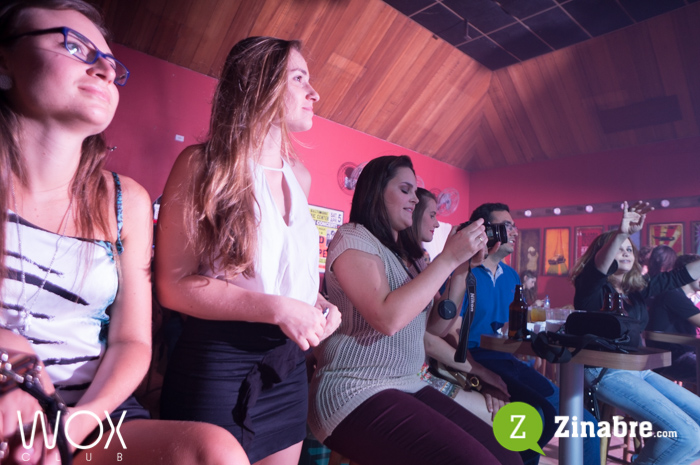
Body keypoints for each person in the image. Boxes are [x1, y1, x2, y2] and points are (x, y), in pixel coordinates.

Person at [0, 1, 249, 464]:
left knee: (214, 452)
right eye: (74, 46)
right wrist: (10, 366)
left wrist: (75, 424)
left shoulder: (125, 201)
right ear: (5, 59)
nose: (104, 69)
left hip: (92, 420)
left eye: (112, 64)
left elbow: (131, 342)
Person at [156, 37, 341, 465]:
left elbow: (276, 274)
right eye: (299, 79)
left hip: (287, 366)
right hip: (219, 363)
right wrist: (280, 309)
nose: (314, 93)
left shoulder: (300, 177)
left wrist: (317, 304)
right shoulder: (202, 165)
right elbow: (173, 286)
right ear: (258, 84)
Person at [308, 156, 521, 465]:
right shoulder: (353, 237)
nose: (415, 199)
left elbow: (434, 328)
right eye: (405, 190)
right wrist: (447, 258)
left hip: (407, 383)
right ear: (376, 192)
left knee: (508, 456)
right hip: (354, 388)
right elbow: (387, 319)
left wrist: (462, 268)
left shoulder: (408, 257)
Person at [459, 203, 599, 465]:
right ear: (487, 231)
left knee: (587, 424)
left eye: (514, 226)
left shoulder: (511, 276)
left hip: (508, 361)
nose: (515, 231)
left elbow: (511, 329)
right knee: (537, 418)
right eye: (507, 226)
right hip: (476, 360)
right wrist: (479, 376)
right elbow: (447, 335)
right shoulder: (462, 272)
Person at [572, 201, 700, 465]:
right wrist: (621, 233)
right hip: (605, 371)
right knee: (686, 436)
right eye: (619, 247)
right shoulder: (591, 289)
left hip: (639, 369)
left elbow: (680, 276)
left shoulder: (637, 289)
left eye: (629, 248)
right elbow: (597, 269)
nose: (625, 252)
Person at [409, 188, 510, 425]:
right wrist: (481, 372)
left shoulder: (420, 261)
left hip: (433, 368)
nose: (437, 223)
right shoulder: (404, 262)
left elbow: (440, 327)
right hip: (416, 373)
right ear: (413, 214)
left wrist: (464, 265)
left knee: (510, 412)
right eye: (432, 215)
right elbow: (426, 338)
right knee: (504, 419)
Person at [647, 254, 700, 382]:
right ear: (689, 273)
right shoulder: (672, 295)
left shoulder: (677, 295)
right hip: (672, 359)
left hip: (684, 354)